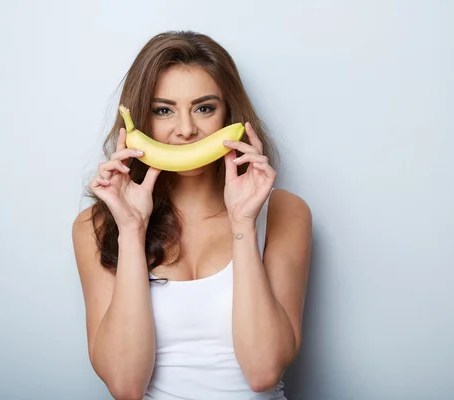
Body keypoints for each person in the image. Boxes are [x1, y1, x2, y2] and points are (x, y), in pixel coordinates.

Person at [72, 30, 312, 400]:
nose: (186, 130)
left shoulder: (284, 213)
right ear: (140, 120)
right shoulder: (99, 224)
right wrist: (132, 231)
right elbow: (125, 385)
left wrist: (244, 224)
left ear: (229, 115)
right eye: (163, 110)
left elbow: (264, 370)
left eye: (204, 108)